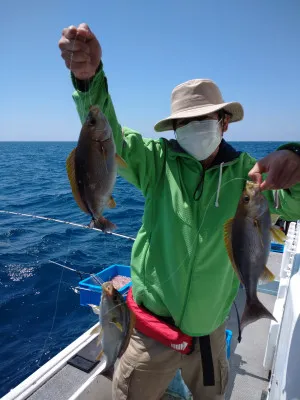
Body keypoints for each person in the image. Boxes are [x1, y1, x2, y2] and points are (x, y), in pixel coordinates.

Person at [58, 23, 300, 400]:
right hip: (149, 331)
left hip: (210, 334)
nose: (193, 128)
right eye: (184, 122)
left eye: (203, 119)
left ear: (223, 123)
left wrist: (296, 163)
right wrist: (89, 82)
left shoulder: (249, 175)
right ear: (173, 128)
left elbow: (290, 203)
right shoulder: (156, 161)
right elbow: (109, 137)